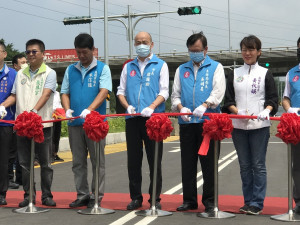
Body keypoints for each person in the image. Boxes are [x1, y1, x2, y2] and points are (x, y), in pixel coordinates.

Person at [171, 32, 225, 213]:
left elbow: (218, 92)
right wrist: (180, 108)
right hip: (186, 123)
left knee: (209, 164)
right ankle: (189, 200)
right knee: (187, 163)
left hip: (208, 123)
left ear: (205, 50)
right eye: (191, 51)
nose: (194, 53)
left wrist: (205, 105)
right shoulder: (181, 69)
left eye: (198, 50)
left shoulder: (215, 67)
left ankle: (210, 201)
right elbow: (175, 95)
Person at [223, 35, 278, 215]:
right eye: (244, 49)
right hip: (238, 126)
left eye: (251, 49)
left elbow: (272, 99)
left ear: (258, 52)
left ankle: (257, 202)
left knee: (258, 165)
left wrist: (266, 110)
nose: (247, 53)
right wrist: (236, 111)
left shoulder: (265, 73)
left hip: (259, 126)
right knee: (244, 165)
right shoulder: (234, 73)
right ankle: (247, 201)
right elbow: (228, 100)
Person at [1, 39, 57, 207]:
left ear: (43, 53)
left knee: (45, 162)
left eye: (34, 51)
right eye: (28, 52)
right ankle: (28, 195)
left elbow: (46, 94)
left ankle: (46, 195)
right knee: (24, 162)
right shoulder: (20, 73)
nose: (30, 55)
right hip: (22, 125)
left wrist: (33, 112)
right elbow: (14, 95)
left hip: (42, 124)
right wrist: (2, 106)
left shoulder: (50, 73)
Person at [117, 31, 169, 210]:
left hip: (153, 119)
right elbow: (120, 91)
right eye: (138, 42)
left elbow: (164, 91)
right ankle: (135, 197)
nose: (141, 45)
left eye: (144, 42)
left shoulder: (160, 65)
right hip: (133, 119)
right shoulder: (128, 66)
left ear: (152, 44)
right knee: (133, 160)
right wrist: (127, 106)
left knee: (154, 160)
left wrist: (152, 106)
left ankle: (155, 198)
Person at [61, 33, 112, 208]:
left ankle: (96, 196)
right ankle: (82, 194)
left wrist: (89, 110)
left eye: (85, 52)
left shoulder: (103, 69)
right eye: (78, 52)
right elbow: (65, 92)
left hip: (95, 125)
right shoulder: (70, 69)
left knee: (98, 161)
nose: (81, 56)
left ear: (92, 50)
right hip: (75, 124)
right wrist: (67, 109)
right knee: (78, 162)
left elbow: (104, 91)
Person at [282, 37, 300, 214]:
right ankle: (299, 201)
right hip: (298, 127)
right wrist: (289, 110)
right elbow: (285, 98)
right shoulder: (292, 73)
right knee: (298, 166)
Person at [0, 41, 17, 205]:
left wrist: (1, 106)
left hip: (5, 123)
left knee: (3, 160)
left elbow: (15, 95)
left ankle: (1, 192)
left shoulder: (13, 74)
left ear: (4, 54)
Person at [8, 54, 27, 188]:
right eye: (22, 63)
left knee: (21, 152)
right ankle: (9, 178)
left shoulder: (25, 77)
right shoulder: (14, 77)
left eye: (26, 62)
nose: (25, 65)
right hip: (10, 119)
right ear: (15, 66)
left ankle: (20, 178)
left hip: (24, 119)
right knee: (11, 152)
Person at [51, 83, 64, 163]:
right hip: (50, 117)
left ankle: (55, 154)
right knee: (51, 136)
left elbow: (58, 104)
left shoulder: (57, 93)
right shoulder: (46, 92)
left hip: (58, 116)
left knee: (56, 136)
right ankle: (50, 155)